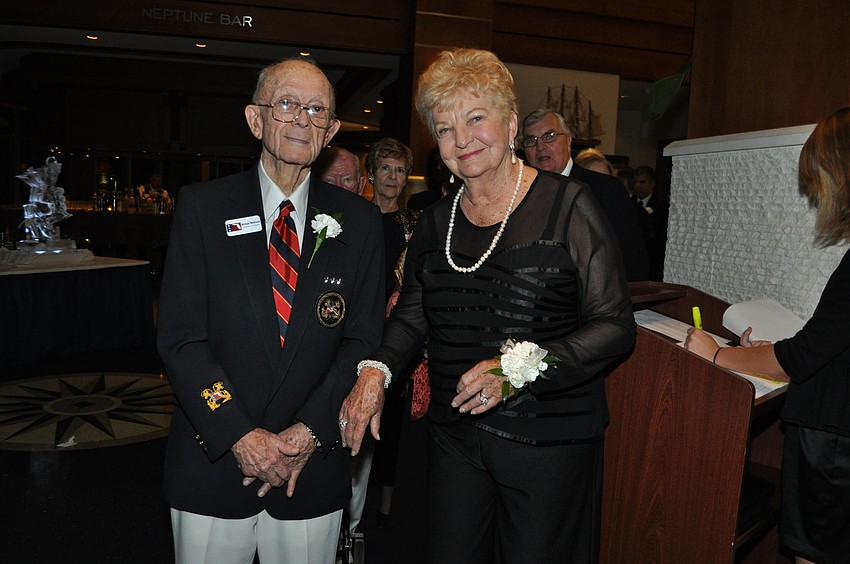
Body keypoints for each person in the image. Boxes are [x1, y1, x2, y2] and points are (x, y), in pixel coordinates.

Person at [340, 48, 636, 564]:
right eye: (445, 128)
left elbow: (613, 325)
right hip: (454, 437)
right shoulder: (434, 221)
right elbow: (412, 314)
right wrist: (375, 372)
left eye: (476, 118)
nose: (462, 140)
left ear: (510, 122)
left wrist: (515, 370)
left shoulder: (569, 206)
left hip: (548, 437)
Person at [156, 58, 386, 564]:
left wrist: (309, 431)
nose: (301, 119)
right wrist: (237, 432)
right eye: (286, 104)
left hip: (312, 464)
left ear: (331, 130)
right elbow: (181, 340)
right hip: (213, 459)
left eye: (316, 109)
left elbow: (364, 341)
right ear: (255, 119)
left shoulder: (363, 224)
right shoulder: (202, 208)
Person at [685, 106, 850, 564]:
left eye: (820, 177)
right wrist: (766, 353)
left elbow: (800, 357)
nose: (818, 194)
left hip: (833, 444)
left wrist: (717, 356)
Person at [521, 108, 650, 281]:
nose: (540, 146)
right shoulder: (521, 195)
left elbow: (633, 263)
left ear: (568, 141)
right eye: (531, 140)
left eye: (549, 136)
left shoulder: (604, 190)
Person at [632, 165, 668, 280]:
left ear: (652, 184)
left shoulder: (662, 206)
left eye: (642, 182)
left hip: (653, 262)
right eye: (635, 182)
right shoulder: (629, 203)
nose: (638, 186)